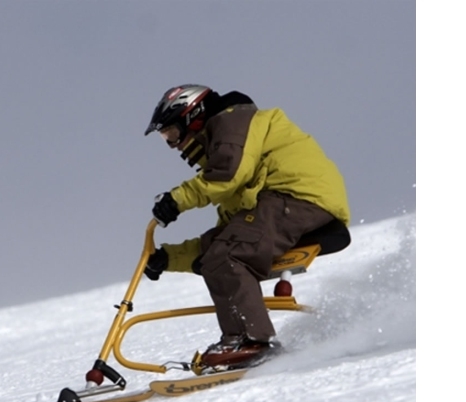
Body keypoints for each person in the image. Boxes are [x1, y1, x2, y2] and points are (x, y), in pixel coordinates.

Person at [143, 84, 350, 371]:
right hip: (282, 202)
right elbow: (227, 235)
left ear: (194, 116)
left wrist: (175, 201)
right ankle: (242, 341)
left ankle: (251, 342)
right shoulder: (235, 158)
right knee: (223, 251)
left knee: (228, 256)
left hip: (299, 195)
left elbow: (226, 175)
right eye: (167, 138)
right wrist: (167, 258)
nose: (175, 145)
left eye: (173, 134)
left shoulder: (232, 122)